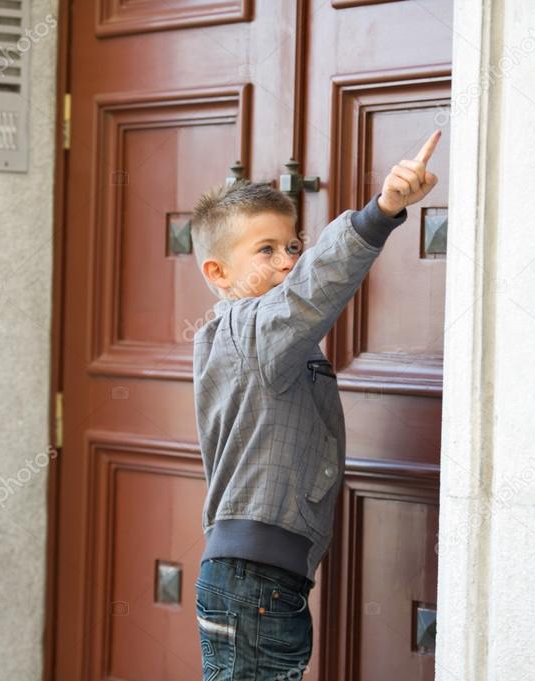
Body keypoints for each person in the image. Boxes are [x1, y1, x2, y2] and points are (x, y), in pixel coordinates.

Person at [189, 130, 441, 679]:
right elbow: (311, 290)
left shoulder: (247, 336)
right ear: (218, 273)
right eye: (266, 250)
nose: (286, 261)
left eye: (291, 247)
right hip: (253, 585)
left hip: (257, 580)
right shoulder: (250, 327)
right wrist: (382, 211)